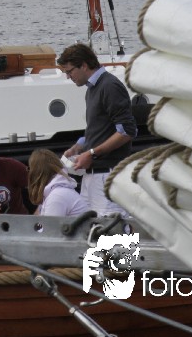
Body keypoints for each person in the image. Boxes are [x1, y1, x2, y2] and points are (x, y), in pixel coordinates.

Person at [57, 43, 137, 216]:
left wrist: (91, 153)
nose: (68, 76)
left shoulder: (109, 86)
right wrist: (78, 147)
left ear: (84, 65)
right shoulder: (92, 89)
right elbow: (100, 128)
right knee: (87, 227)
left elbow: (127, 131)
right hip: (93, 176)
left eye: (69, 71)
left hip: (107, 176)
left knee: (109, 230)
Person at [27, 148, 89, 217]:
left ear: (36, 172)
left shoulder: (56, 196)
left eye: (29, 168)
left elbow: (50, 224)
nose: (29, 172)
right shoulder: (54, 192)